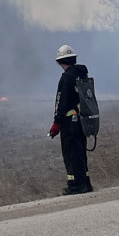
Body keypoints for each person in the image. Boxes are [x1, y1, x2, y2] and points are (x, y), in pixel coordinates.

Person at [49, 45, 93, 195]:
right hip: (82, 121)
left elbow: (61, 101)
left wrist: (56, 122)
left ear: (60, 62)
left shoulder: (66, 77)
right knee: (80, 152)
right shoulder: (82, 75)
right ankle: (85, 183)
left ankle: (75, 185)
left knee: (71, 154)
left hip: (69, 122)